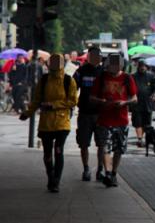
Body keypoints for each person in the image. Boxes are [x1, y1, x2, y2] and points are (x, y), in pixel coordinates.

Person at [20, 54, 78, 193]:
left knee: (58, 150)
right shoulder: (44, 80)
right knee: (47, 153)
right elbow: (37, 99)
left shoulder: (68, 81)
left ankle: (56, 180)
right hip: (46, 123)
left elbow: (73, 100)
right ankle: (50, 177)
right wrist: (28, 113)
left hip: (62, 123)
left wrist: (54, 105)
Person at [91, 53, 138, 188]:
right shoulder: (101, 78)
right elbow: (92, 97)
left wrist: (124, 103)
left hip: (121, 119)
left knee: (119, 149)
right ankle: (107, 172)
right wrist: (102, 101)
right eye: (112, 64)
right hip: (104, 119)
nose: (114, 67)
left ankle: (114, 173)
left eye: (117, 64)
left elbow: (135, 98)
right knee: (105, 146)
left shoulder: (127, 78)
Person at [74, 46, 103, 181]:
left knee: (102, 143)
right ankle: (86, 168)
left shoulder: (104, 72)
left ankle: (100, 170)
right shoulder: (81, 71)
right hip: (85, 112)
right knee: (84, 143)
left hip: (101, 114)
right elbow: (73, 88)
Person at [131, 60, 155, 148]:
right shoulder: (133, 76)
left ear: (146, 67)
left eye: (144, 66)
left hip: (148, 103)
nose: (142, 68)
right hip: (136, 103)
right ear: (138, 67)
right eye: (141, 66)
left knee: (146, 123)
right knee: (138, 122)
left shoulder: (151, 76)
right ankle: (139, 139)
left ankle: (141, 137)